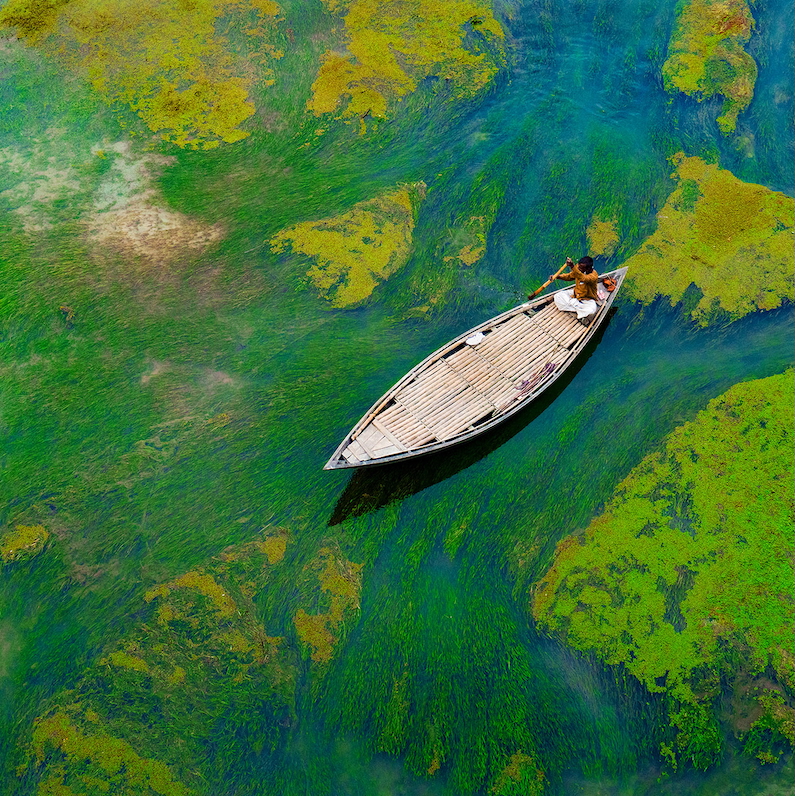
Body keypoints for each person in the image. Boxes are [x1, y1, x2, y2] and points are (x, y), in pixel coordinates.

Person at [549, 256, 599, 324]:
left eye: (581, 268)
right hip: (576, 293)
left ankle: (572, 306)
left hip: (587, 298)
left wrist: (572, 266)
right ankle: (577, 309)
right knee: (558, 296)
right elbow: (569, 276)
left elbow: (583, 278)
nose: (578, 268)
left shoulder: (593, 276)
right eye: (578, 266)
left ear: (588, 269)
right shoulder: (578, 269)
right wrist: (557, 276)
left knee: (591, 310)